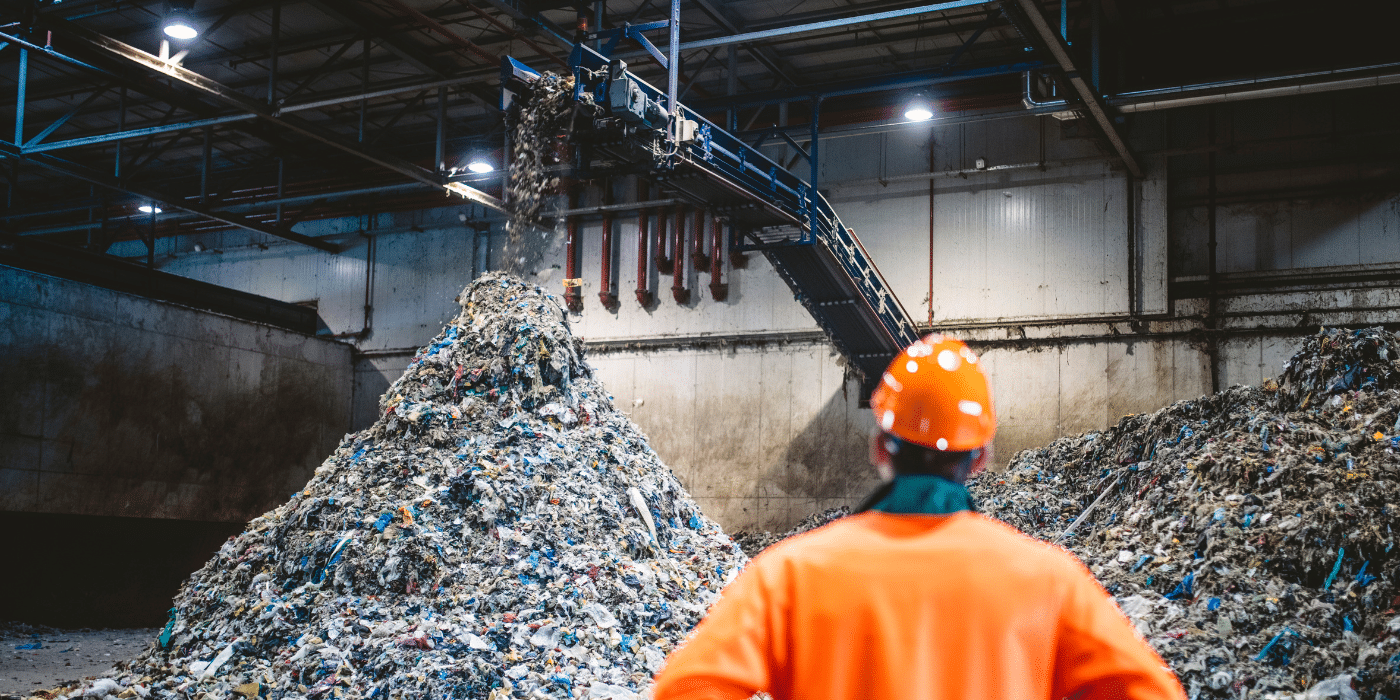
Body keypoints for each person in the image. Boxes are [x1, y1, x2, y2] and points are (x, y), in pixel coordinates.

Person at [651, 335, 1187, 700]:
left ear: (879, 448)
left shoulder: (789, 575)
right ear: (981, 458)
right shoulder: (1050, 580)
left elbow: (687, 689)